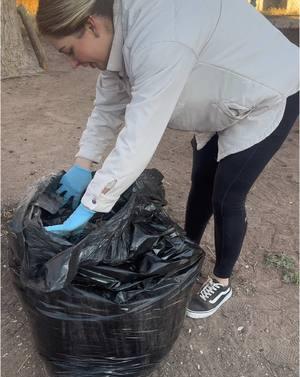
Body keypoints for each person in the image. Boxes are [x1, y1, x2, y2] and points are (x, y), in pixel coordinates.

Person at [36, 0, 299, 319]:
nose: (74, 63)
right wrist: (83, 164)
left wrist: (93, 204)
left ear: (92, 26)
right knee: (201, 182)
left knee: (227, 196)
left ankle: (221, 280)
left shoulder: (158, 38)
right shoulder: (120, 36)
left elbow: (141, 134)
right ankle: (187, 252)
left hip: (270, 90)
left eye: (68, 51)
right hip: (225, 95)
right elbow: (107, 108)